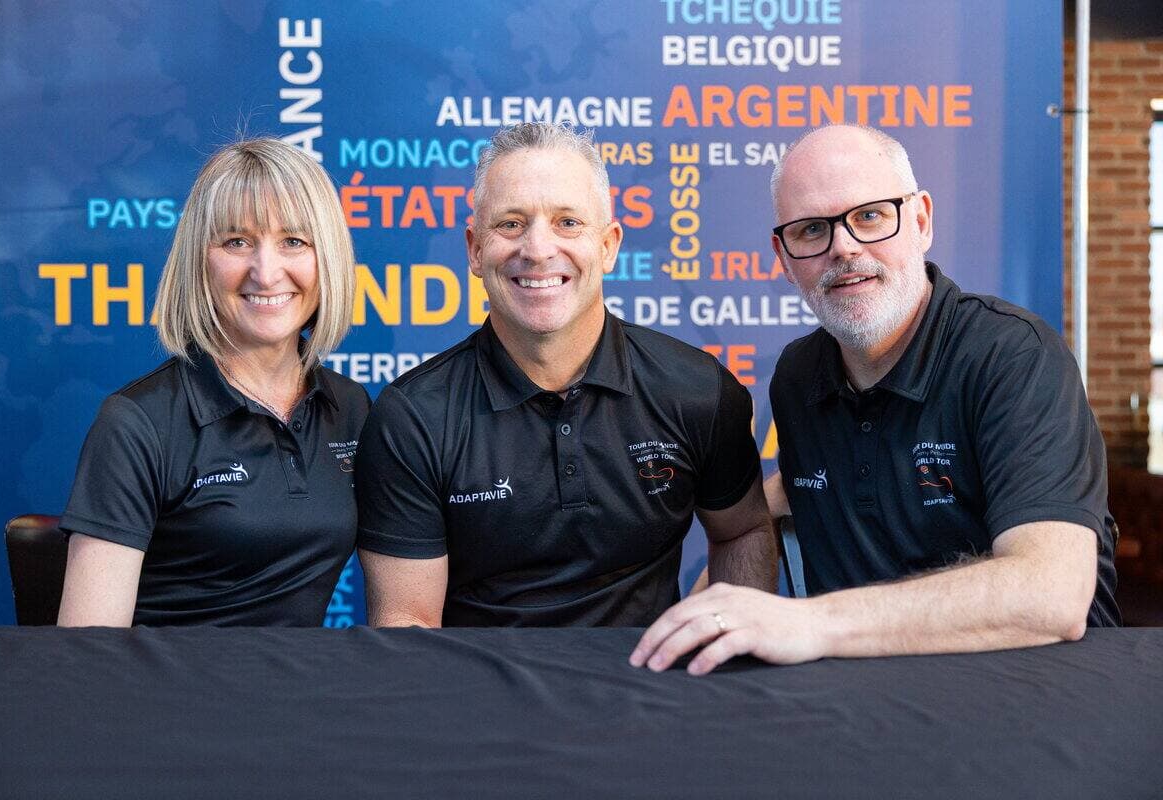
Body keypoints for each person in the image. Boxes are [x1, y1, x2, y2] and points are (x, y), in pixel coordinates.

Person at [631, 124, 1120, 674]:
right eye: (811, 229)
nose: (843, 247)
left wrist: (809, 622)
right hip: (859, 711)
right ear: (784, 257)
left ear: (920, 220)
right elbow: (806, 484)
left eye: (869, 216)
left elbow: (1051, 596)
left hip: (1037, 705)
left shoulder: (1012, 357)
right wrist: (710, 613)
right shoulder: (799, 374)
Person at [354, 122, 775, 627]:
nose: (537, 248)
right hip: (480, 703)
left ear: (609, 245)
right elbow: (408, 627)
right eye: (510, 223)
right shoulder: (414, 416)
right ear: (473, 249)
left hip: (650, 699)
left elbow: (741, 531)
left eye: (567, 222)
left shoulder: (697, 389)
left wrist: (721, 655)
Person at [57, 138, 368, 626]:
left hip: (300, 695)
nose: (266, 273)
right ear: (199, 261)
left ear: (326, 257)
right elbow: (87, 653)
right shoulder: (137, 423)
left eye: (294, 241)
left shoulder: (350, 408)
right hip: (167, 699)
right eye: (236, 242)